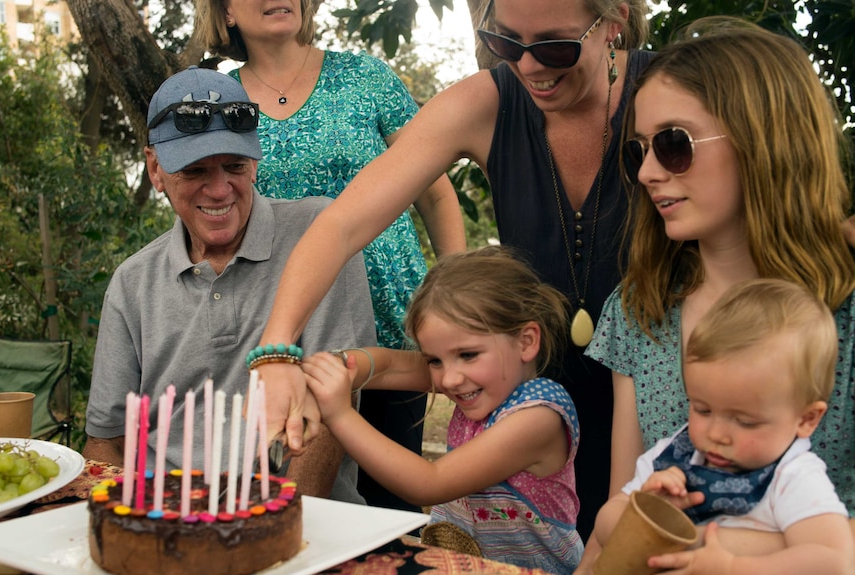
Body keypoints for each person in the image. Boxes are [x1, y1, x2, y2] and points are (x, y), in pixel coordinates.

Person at [251, 0, 653, 540]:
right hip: (529, 412)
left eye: (555, 45)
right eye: (508, 43)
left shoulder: (668, 98)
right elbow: (341, 224)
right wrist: (277, 349)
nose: (530, 67)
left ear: (614, 20)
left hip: (660, 415)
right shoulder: (486, 104)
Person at [581, 15, 855, 570]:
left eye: (674, 144)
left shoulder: (845, 315)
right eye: (640, 151)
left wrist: (721, 552)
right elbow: (618, 520)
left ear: (765, 138)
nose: (648, 172)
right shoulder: (639, 311)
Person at [193, 0, 466, 512]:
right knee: (297, 498)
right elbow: (210, 202)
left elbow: (434, 190)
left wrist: (461, 295)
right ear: (226, 12)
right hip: (287, 332)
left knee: (393, 500)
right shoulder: (219, 98)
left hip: (390, 322)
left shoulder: (364, 76)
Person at [82, 66, 377, 504]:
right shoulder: (132, 283)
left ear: (255, 162)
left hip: (294, 513)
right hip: (168, 517)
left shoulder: (320, 237)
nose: (219, 190)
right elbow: (107, 439)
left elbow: (332, 415)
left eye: (234, 166)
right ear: (156, 168)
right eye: (196, 170)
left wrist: (279, 528)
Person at [301, 246, 583, 573]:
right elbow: (389, 365)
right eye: (434, 360)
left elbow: (429, 483)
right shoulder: (482, 382)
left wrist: (339, 414)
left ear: (525, 342)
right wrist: (342, 366)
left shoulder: (538, 417)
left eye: (468, 355)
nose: (448, 379)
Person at [590, 279, 854, 574]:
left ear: (807, 419)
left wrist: (732, 567)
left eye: (745, 421)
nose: (715, 434)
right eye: (702, 409)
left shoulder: (792, 477)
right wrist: (642, 511)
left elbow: (835, 562)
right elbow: (604, 527)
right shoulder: (675, 457)